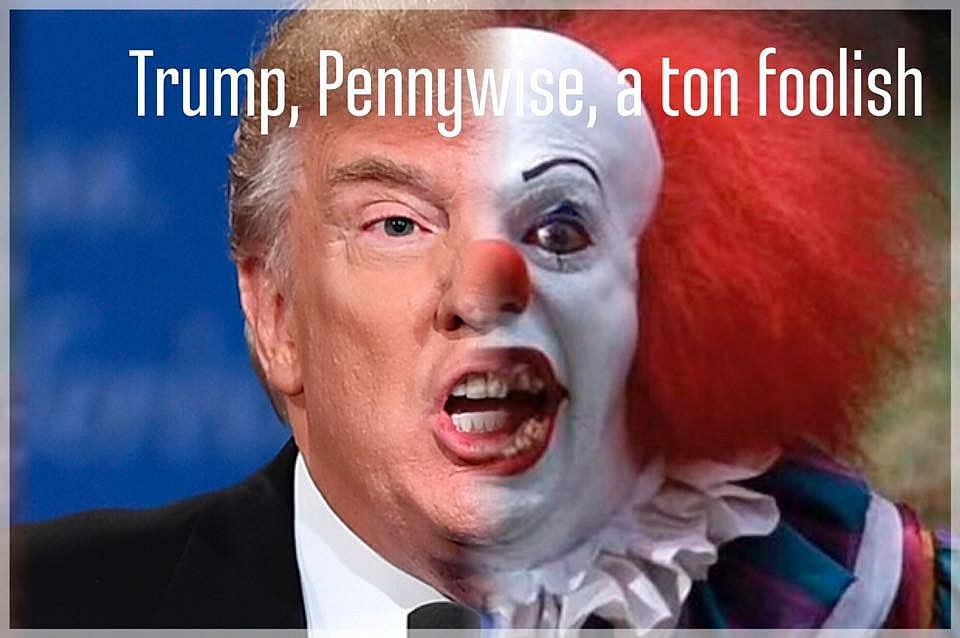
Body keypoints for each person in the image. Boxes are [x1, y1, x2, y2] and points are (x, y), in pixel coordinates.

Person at [12, 8, 950, 631]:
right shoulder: (48, 602)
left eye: (560, 228)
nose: (486, 286)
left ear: (660, 300)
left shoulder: (841, 595)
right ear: (279, 319)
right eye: (396, 225)